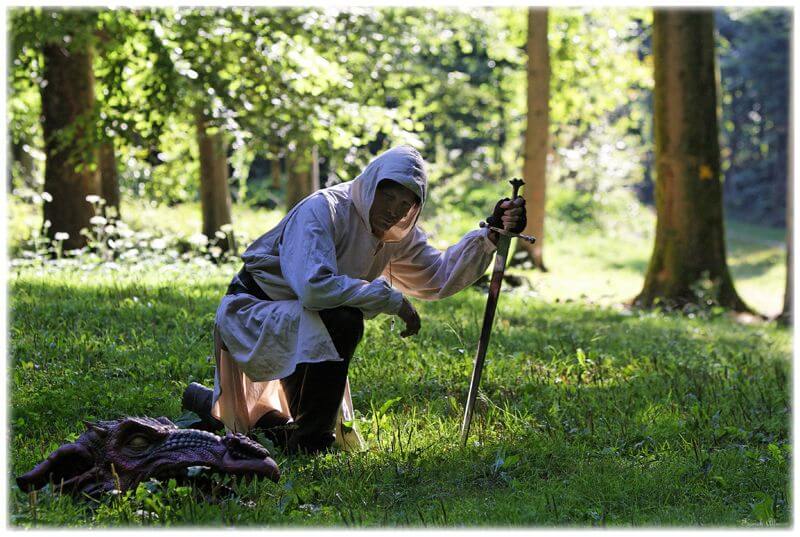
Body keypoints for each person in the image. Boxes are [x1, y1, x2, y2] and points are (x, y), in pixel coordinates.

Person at [182, 145, 526, 454]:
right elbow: (314, 289)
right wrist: (392, 300)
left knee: (269, 421)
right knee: (343, 318)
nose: (394, 211)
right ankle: (310, 441)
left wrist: (490, 234)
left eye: (406, 204)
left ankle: (233, 413)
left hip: (301, 318)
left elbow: (436, 276)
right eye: (388, 197)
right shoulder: (324, 210)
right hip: (253, 313)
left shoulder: (395, 234)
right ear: (371, 184)